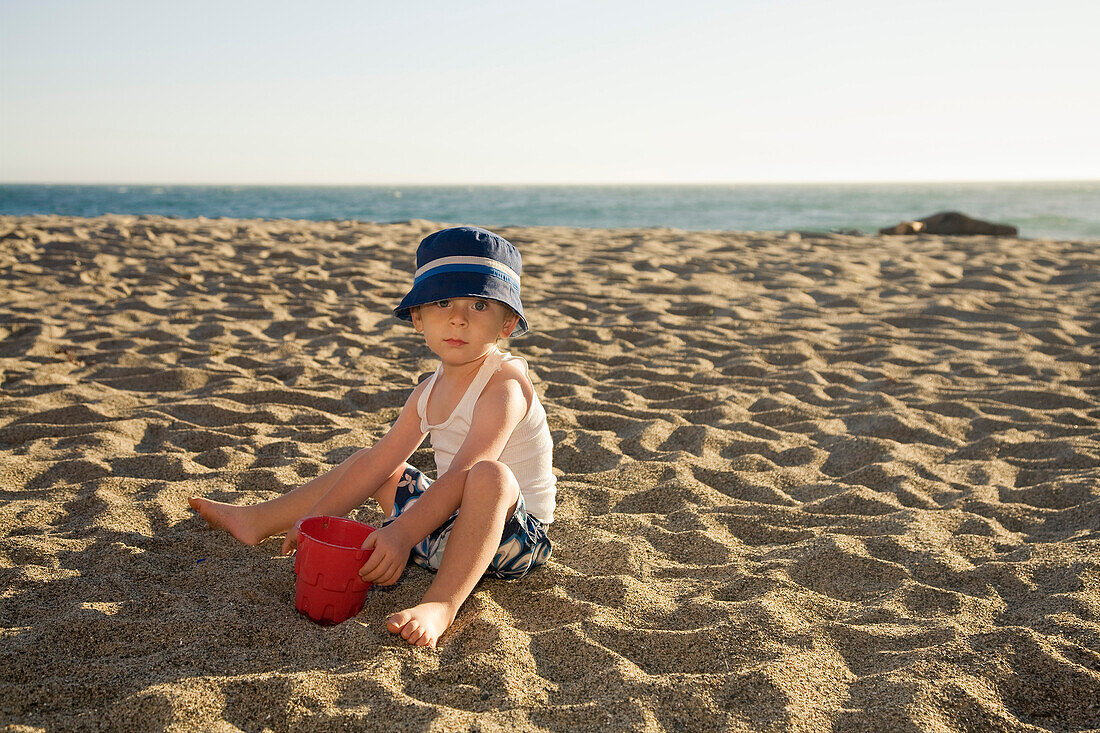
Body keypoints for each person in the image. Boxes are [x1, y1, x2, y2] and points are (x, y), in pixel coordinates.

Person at [188, 226, 556, 648]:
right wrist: (319, 520)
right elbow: (379, 463)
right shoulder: (427, 390)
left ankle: (441, 605)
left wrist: (400, 534)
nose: (458, 318)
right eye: (442, 302)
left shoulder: (504, 385)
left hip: (511, 539)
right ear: (418, 318)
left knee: (490, 474)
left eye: (478, 304)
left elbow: (466, 474)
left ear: (506, 322)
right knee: (374, 462)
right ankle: (263, 520)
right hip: (444, 529)